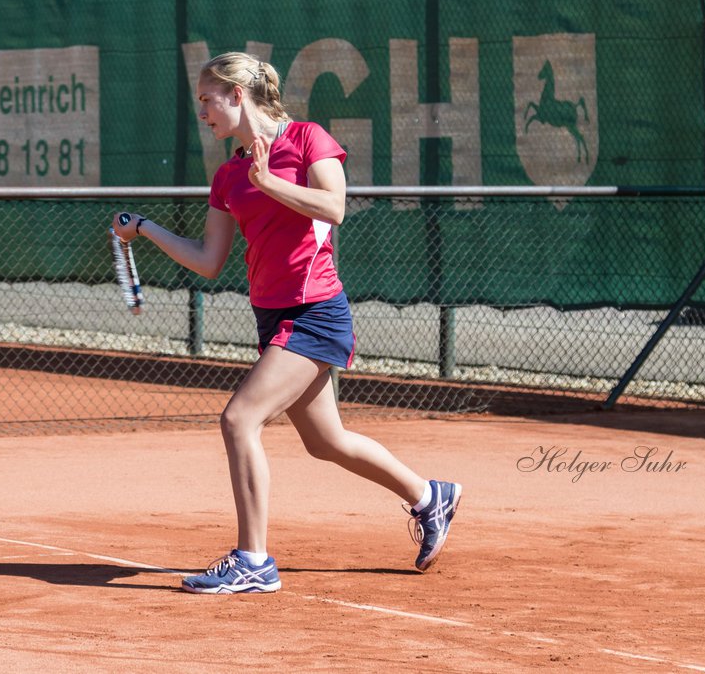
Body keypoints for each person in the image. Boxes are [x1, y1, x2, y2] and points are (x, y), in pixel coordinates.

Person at [112, 52, 461, 594]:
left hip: (316, 311)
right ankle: (428, 495)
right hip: (272, 315)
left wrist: (270, 181)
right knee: (326, 441)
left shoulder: (306, 139)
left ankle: (253, 560)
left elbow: (334, 206)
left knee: (238, 420)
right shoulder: (229, 174)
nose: (202, 111)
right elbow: (209, 259)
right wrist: (146, 228)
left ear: (237, 95)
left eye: (207, 100)